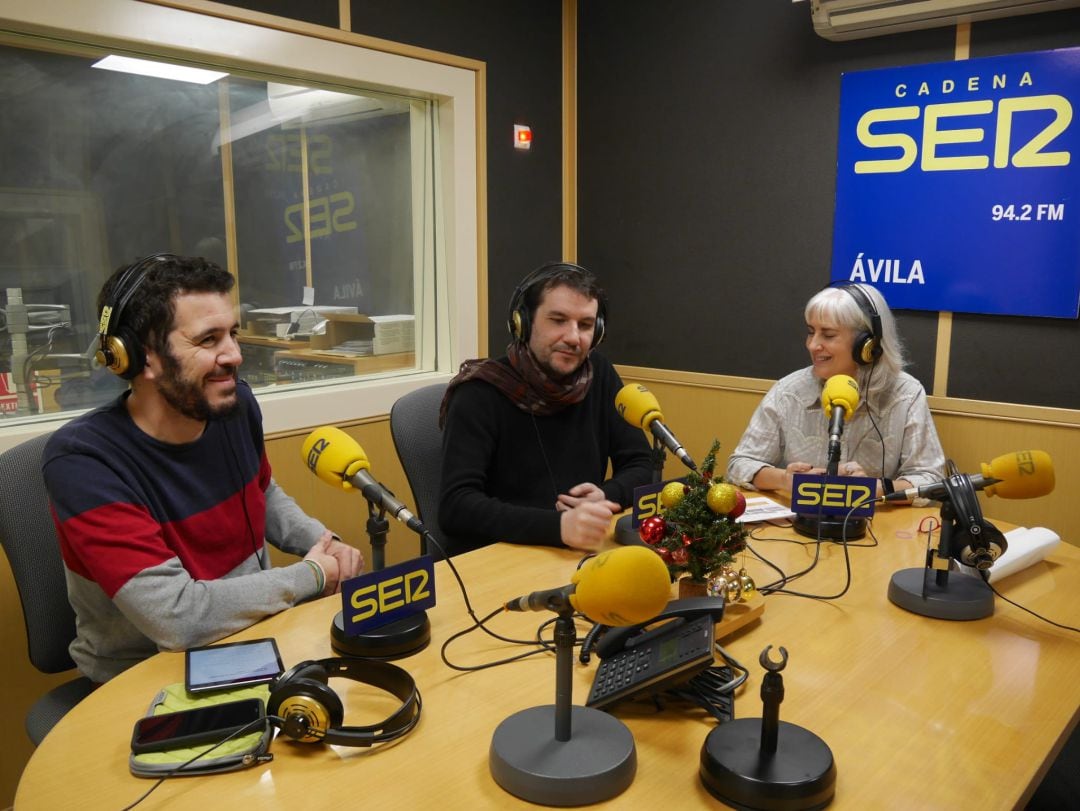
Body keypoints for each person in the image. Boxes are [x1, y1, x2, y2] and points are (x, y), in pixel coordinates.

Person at [43, 254, 363, 683]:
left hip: (254, 637)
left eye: (232, 334)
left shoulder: (232, 404)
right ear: (141, 357)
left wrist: (324, 542)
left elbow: (261, 492)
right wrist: (312, 574)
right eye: (208, 340)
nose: (233, 355)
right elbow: (177, 617)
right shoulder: (84, 462)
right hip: (143, 678)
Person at [438, 262, 653, 556]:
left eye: (586, 325)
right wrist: (558, 526)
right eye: (558, 320)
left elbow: (641, 462)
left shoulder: (599, 374)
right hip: (501, 556)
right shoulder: (479, 392)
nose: (573, 337)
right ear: (522, 323)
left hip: (577, 553)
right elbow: (457, 507)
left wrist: (606, 494)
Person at [726, 282, 944, 499]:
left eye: (828, 335)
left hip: (875, 527)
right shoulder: (788, 391)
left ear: (867, 345)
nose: (813, 345)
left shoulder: (906, 394)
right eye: (811, 332)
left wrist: (876, 488)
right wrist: (784, 479)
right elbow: (740, 464)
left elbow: (930, 479)